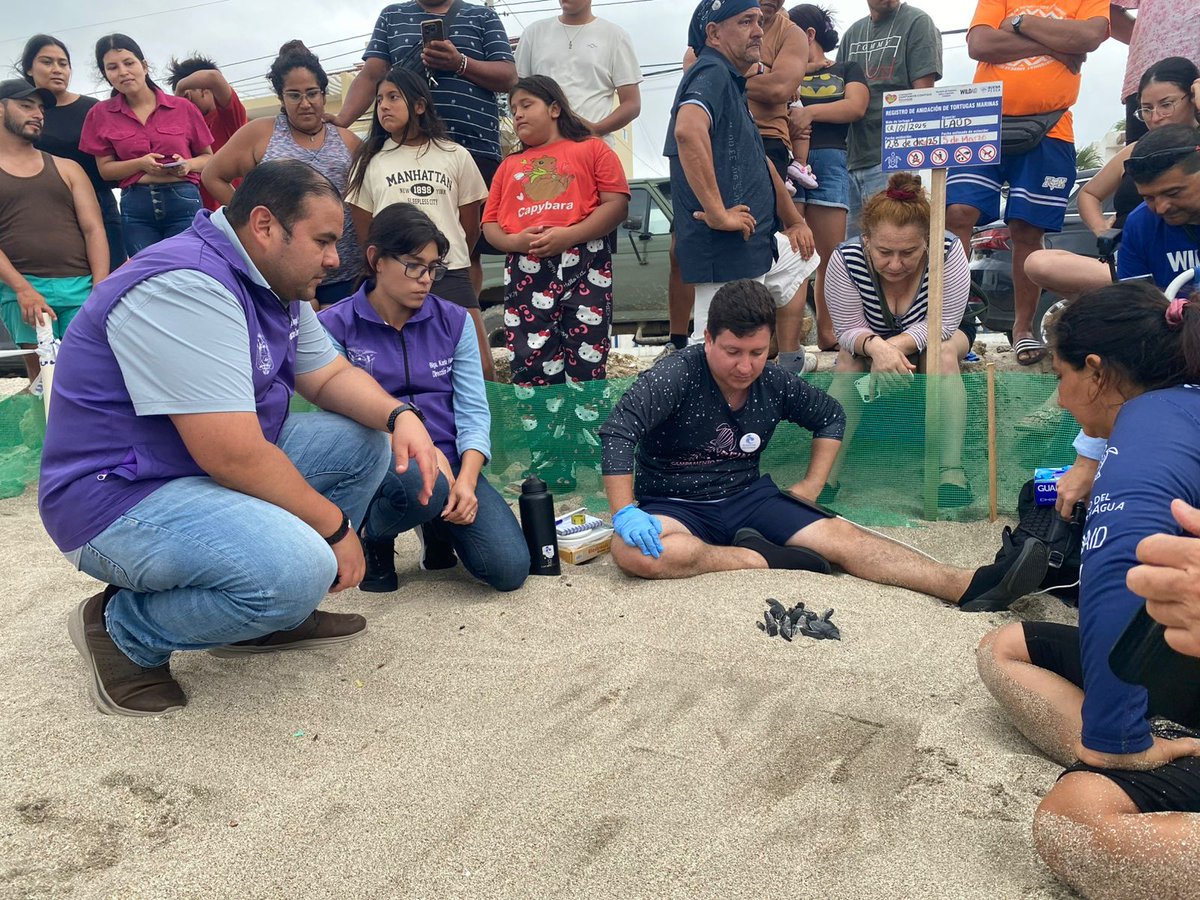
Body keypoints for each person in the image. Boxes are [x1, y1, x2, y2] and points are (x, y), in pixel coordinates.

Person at [39, 160, 440, 718]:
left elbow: (327, 376)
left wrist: (401, 417)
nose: (335, 259)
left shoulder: (272, 279)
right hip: (117, 496)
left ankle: (266, 618)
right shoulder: (186, 285)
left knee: (362, 444)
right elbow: (231, 454)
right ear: (265, 225)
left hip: (187, 469)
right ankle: (122, 631)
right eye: (324, 241)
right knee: (297, 568)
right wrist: (336, 528)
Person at [598, 279, 1049, 611]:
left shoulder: (773, 380)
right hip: (673, 503)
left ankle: (965, 583)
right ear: (710, 338)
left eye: (756, 352)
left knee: (843, 539)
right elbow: (619, 431)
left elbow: (830, 415)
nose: (745, 365)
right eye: (732, 351)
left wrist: (813, 484)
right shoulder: (674, 373)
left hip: (747, 497)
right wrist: (623, 511)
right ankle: (759, 558)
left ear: (770, 343)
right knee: (631, 552)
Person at [976, 280, 1200, 899]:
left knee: (1073, 823)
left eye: (1061, 374)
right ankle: (1152, 739)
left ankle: (1130, 743)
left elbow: (1116, 582)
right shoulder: (1173, 408)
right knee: (1007, 646)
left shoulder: (1144, 437)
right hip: (1183, 648)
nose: (1060, 394)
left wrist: (1118, 741)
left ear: (1096, 372)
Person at [318, 204, 527, 594]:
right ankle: (374, 535)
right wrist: (430, 461)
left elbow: (472, 409)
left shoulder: (455, 319)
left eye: (434, 268)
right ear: (375, 259)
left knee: (509, 568)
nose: (426, 279)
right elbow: (338, 415)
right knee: (418, 483)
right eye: (414, 265)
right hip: (381, 463)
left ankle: (436, 522)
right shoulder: (333, 325)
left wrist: (467, 479)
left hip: (451, 466)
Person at [945, 0, 1110, 367]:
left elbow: (1091, 36)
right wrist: (1058, 45)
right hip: (981, 119)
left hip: (1051, 126)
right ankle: (950, 320)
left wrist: (1020, 23)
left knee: (1026, 228)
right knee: (956, 213)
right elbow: (980, 45)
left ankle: (1022, 329)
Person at [1053, 124, 1200, 517]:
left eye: (1174, 193)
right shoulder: (1140, 225)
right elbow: (1132, 341)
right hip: (1175, 362)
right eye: (1150, 197)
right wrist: (1088, 458)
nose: (1162, 208)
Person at [331, 0, 518, 293]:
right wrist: (341, 120)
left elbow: (508, 77)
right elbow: (371, 75)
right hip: (402, 147)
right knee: (405, 240)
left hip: (473, 145)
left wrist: (460, 63)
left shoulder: (482, 15)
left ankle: (461, 316)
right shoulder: (392, 15)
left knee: (469, 251)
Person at [667, 0, 812, 369]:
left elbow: (758, 160)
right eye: (746, 21)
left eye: (759, 21)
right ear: (714, 33)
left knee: (801, 257)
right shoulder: (710, 74)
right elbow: (687, 131)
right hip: (725, 252)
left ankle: (789, 360)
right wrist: (717, 212)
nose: (759, 30)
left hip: (749, 244)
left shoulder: (731, 82)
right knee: (722, 361)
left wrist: (793, 218)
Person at [822, 173, 975, 507]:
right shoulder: (845, 259)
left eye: (908, 252)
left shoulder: (948, 250)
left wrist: (893, 349)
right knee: (848, 360)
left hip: (942, 333)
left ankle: (951, 469)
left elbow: (945, 323)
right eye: (884, 252)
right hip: (868, 337)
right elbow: (847, 329)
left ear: (928, 243)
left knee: (942, 354)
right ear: (866, 241)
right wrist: (876, 348)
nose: (895, 264)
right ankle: (826, 473)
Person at [481, 75, 629, 386]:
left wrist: (570, 235)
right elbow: (489, 224)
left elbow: (616, 205)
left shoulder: (593, 149)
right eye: (512, 108)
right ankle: (539, 432)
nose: (517, 114)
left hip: (586, 261)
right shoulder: (509, 166)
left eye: (526, 104)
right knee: (530, 357)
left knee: (587, 356)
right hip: (526, 266)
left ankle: (585, 432)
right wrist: (514, 241)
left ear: (554, 109)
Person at [344, 65, 492, 379]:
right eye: (380, 98)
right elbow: (365, 233)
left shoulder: (455, 154)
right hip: (394, 276)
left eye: (394, 97)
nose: (383, 105)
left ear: (420, 105)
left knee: (481, 367)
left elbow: (469, 226)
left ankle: (485, 430)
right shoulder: (370, 161)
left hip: (449, 272)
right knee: (405, 367)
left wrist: (438, 259)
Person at [1024, 57, 1200, 303]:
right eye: (1147, 109)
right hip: (1136, 258)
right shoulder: (1133, 156)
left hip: (1183, 255)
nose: (1156, 117)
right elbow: (1089, 194)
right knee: (1039, 262)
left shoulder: (1194, 153)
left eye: (1166, 104)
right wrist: (1102, 231)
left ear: (1191, 98)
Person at [202, 42, 363, 308]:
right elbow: (213, 176)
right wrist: (250, 218)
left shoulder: (347, 140)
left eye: (312, 93)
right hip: (282, 275)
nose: (305, 103)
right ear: (281, 97)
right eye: (294, 95)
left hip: (346, 272)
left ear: (323, 94)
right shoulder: (259, 134)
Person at [0, 79, 108, 383]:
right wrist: (22, 289)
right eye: (25, 105)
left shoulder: (68, 167)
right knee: (42, 384)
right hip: (23, 289)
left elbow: (93, 229)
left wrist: (99, 288)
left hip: (81, 288)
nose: (37, 113)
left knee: (89, 379)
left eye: (40, 107)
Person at [80, 34, 213, 258]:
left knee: (188, 269)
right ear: (106, 75)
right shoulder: (100, 114)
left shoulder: (182, 107)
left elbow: (208, 158)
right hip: (136, 205)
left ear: (144, 66)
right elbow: (105, 170)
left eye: (129, 63)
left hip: (183, 199)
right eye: (112, 67)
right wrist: (140, 164)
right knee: (148, 276)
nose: (122, 72)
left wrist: (187, 165)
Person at [787, 5, 869, 351]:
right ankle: (785, 341)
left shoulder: (847, 68)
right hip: (785, 159)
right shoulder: (784, 70)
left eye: (787, 32)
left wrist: (808, 112)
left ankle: (829, 332)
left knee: (829, 255)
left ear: (808, 34)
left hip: (832, 159)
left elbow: (855, 107)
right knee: (787, 254)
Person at [836, 0, 942, 238]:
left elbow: (924, 96)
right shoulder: (852, 33)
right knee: (852, 252)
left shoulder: (917, 21)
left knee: (892, 244)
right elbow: (839, 91)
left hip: (893, 159)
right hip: (850, 159)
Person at [20, 34, 124, 268]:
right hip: (42, 212)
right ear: (29, 69)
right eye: (47, 62)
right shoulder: (20, 115)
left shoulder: (93, 110)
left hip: (101, 209)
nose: (57, 69)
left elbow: (116, 162)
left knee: (112, 283)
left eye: (63, 63)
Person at [514, 0, 643, 145]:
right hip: (542, 150)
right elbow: (518, 92)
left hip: (592, 149)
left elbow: (632, 104)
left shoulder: (615, 36)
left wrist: (596, 130)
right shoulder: (534, 33)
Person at [1109, 0, 1200, 145]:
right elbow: (1106, 7)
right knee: (1143, 160)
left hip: (1185, 79)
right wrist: (1156, 35)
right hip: (1148, 79)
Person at [166, 53, 247, 212]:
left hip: (232, 213)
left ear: (205, 90)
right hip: (192, 215)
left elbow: (213, 77)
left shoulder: (228, 118)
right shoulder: (180, 127)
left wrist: (181, 88)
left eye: (187, 95)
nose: (183, 102)